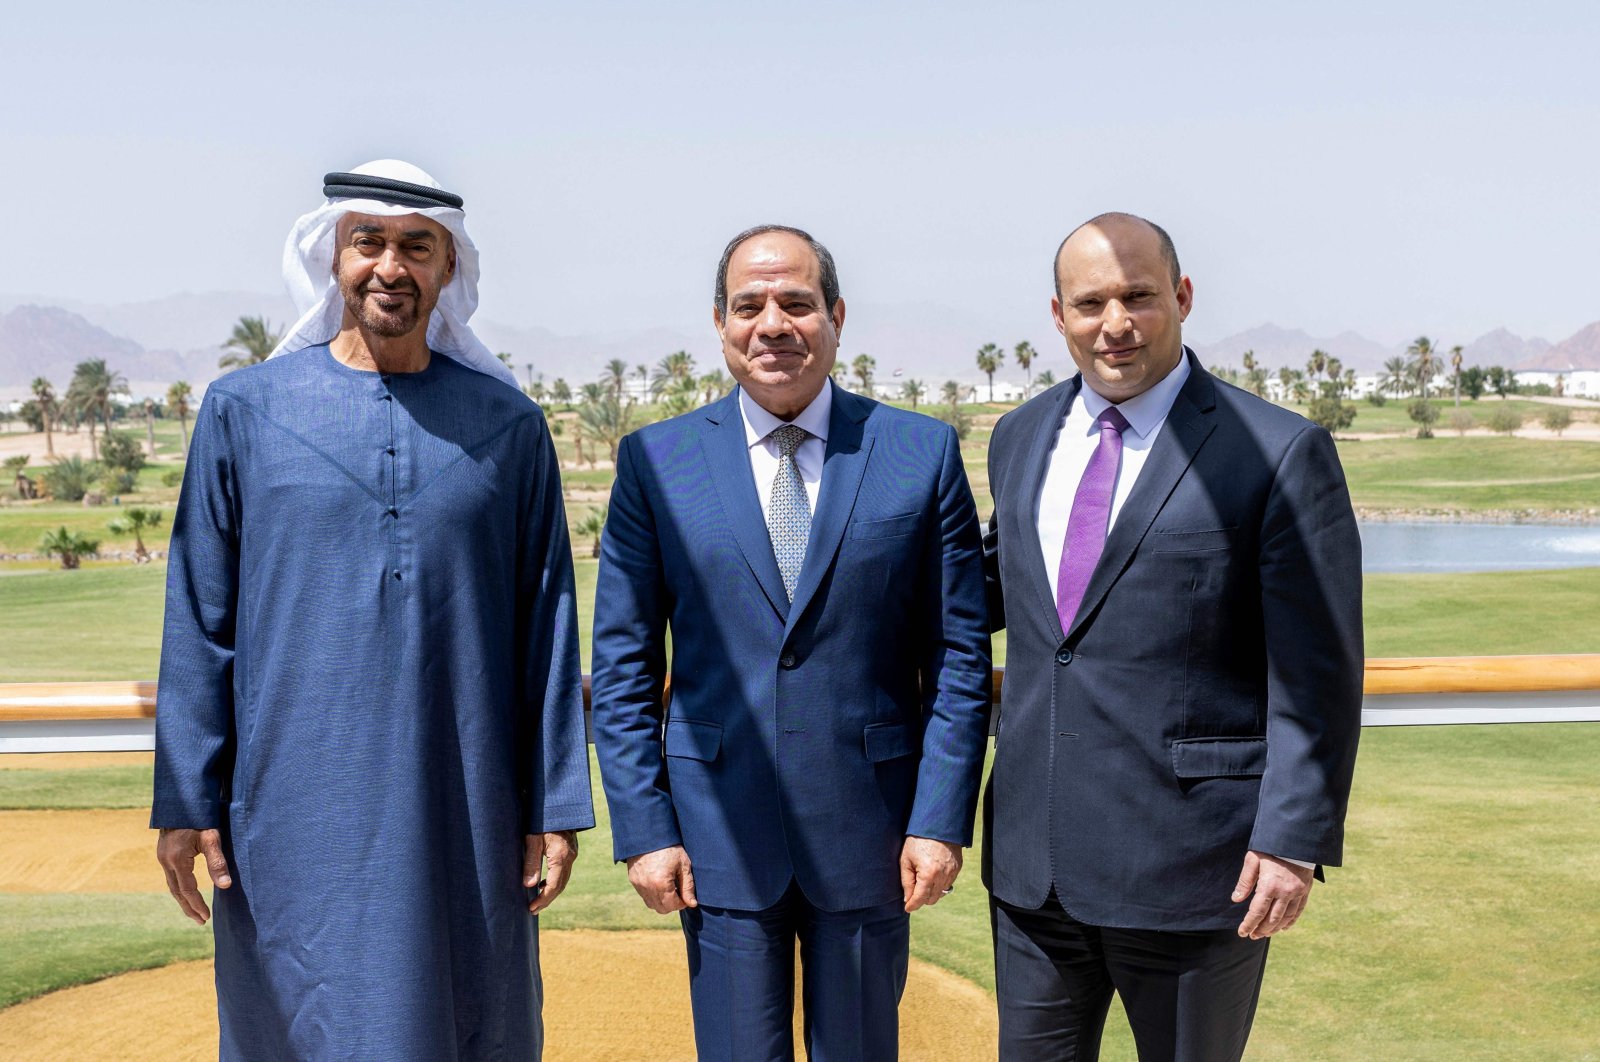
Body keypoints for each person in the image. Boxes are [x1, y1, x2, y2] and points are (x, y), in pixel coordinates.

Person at [151, 159, 593, 1060]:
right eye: (370, 243)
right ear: (333, 259)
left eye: (415, 248)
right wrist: (186, 794)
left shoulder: (509, 426)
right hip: (290, 800)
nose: (390, 267)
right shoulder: (244, 411)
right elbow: (200, 614)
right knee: (295, 1012)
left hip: (466, 798)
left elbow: (546, 621)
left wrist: (554, 800)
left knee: (468, 1004)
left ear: (447, 269)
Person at [590, 224, 992, 1061]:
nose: (773, 323)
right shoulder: (655, 461)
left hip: (872, 838)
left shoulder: (919, 454)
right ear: (720, 322)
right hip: (715, 837)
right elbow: (625, 667)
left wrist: (939, 819)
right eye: (750, 305)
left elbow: (956, 659)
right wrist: (645, 826)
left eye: (797, 303)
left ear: (837, 316)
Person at [982, 213, 1363, 1060]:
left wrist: (1292, 838)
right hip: (1032, 869)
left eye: (1138, 296)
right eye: (1090, 303)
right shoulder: (1019, 436)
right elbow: (990, 593)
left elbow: (1320, 669)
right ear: (1058, 315)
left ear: (1182, 297)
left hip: (1198, 867)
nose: (1114, 322)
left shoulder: (1277, 449)